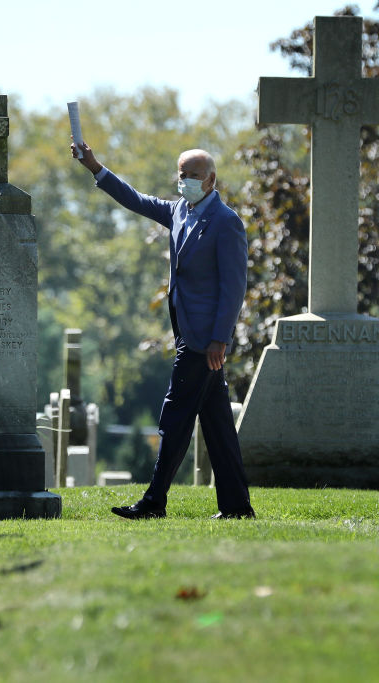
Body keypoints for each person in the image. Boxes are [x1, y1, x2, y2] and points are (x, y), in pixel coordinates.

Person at [71, 139, 254, 519]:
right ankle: (237, 507)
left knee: (174, 417)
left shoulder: (226, 221)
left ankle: (154, 502)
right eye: (181, 174)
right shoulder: (178, 212)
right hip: (186, 331)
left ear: (211, 180)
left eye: (194, 175)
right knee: (218, 423)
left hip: (205, 340)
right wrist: (95, 167)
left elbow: (233, 287)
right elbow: (134, 199)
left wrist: (221, 337)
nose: (185, 180)